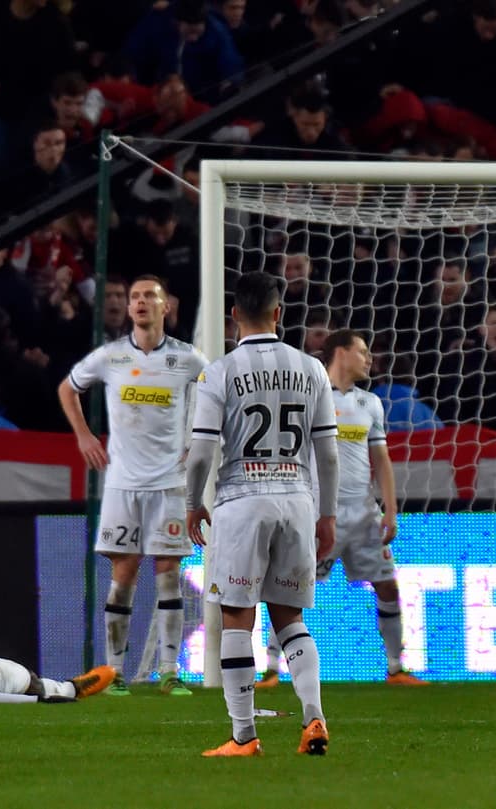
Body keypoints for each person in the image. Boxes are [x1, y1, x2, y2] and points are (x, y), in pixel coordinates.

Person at [186, 271, 339, 757]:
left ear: (234, 315)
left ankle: (244, 735)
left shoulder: (219, 372)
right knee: (290, 618)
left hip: (240, 500)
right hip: (297, 498)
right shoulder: (312, 369)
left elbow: (200, 453)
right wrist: (327, 516)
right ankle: (313, 718)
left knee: (237, 618)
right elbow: (329, 455)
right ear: (279, 313)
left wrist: (193, 503)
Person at [57, 275, 207, 697]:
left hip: (169, 485)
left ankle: (169, 671)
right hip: (123, 483)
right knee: (123, 575)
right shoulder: (110, 357)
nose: (140, 302)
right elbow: (67, 389)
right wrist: (84, 436)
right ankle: (115, 671)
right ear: (129, 310)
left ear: (166, 307)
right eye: (134, 296)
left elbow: (216, 398)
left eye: (148, 296)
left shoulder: (188, 359)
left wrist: (197, 440)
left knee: (168, 576)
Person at [258, 330, 424, 688]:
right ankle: (272, 668)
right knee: (290, 587)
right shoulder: (308, 396)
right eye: (362, 351)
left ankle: (396, 669)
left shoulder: (371, 404)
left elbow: (381, 460)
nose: (369, 359)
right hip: (319, 513)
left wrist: (390, 510)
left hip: (364, 513)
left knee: (387, 586)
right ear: (341, 353)